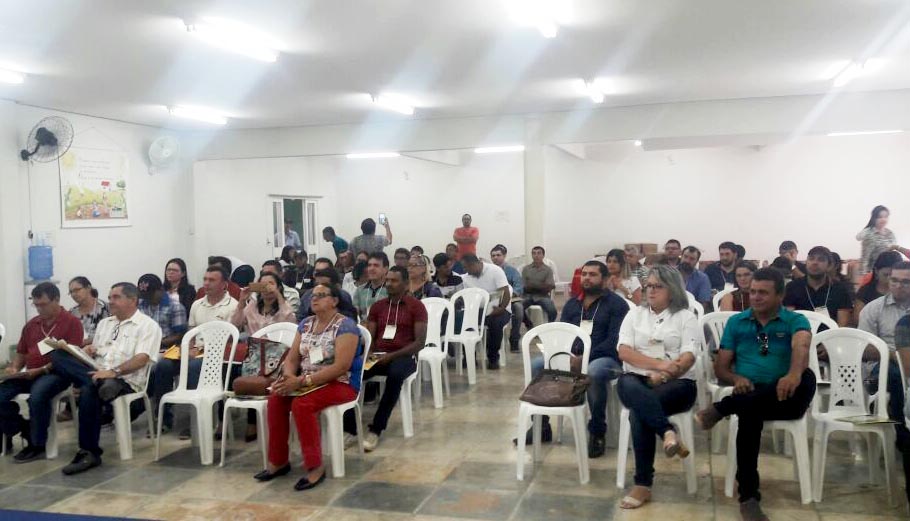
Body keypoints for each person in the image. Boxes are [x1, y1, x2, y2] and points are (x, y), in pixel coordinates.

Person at [695, 268, 815, 521]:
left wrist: (793, 374)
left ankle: (722, 408)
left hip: (788, 396)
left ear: (780, 295)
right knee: (751, 411)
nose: (756, 297)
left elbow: (802, 344)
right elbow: (721, 368)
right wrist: (736, 378)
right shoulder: (737, 322)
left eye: (763, 292)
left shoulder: (795, 321)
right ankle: (748, 497)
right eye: (752, 292)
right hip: (751, 393)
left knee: (807, 377)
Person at [255, 283, 362, 490]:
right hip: (305, 381)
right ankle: (278, 461)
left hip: (340, 383)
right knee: (276, 398)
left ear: (334, 301)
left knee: (302, 404)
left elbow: (341, 367)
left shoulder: (346, 326)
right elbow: (292, 358)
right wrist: (288, 377)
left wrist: (303, 381)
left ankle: (315, 466)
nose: (315, 299)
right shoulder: (305, 324)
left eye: (321, 295)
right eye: (313, 295)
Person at [51, 282, 161, 475]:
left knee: (89, 390)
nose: (110, 301)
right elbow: (97, 353)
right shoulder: (105, 323)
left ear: (133, 300)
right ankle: (94, 382)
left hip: (125, 380)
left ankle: (89, 452)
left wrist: (114, 372)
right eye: (109, 297)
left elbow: (142, 358)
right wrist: (87, 352)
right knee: (58, 355)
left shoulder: (147, 326)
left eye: (116, 297)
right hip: (98, 373)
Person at [616, 265, 700, 510]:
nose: (651, 291)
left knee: (638, 412)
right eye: (648, 286)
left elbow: (688, 358)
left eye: (658, 286)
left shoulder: (686, 317)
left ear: (672, 289)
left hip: (677, 383)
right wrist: (659, 365)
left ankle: (643, 484)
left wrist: (664, 375)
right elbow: (624, 352)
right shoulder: (635, 315)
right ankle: (667, 432)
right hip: (636, 380)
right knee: (626, 383)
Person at [345, 267, 427, 451]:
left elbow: (419, 343)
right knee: (353, 372)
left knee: (395, 376)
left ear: (405, 284)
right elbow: (371, 337)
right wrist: (371, 354)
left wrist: (392, 356)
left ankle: (376, 429)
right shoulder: (378, 306)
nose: (389, 284)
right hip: (380, 356)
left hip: (405, 356)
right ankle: (350, 429)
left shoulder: (416, 306)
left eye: (394, 281)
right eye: (388, 280)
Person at [1, 283, 82, 463]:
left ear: (56, 300)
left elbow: (71, 357)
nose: (39, 309)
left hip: (57, 374)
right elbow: (21, 352)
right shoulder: (32, 325)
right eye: (36, 305)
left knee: (38, 396)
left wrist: (42, 369)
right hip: (29, 373)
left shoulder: (71, 323)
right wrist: (15, 368)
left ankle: (37, 445)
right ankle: (24, 428)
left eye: (43, 304)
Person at [156, 266, 238, 436]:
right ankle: (164, 419)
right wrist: (189, 348)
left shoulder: (232, 306)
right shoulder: (197, 304)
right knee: (163, 365)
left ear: (224, 284)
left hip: (217, 354)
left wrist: (201, 351)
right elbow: (191, 332)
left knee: (193, 367)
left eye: (212, 280)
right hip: (195, 350)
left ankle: (196, 420)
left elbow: (231, 338)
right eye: (205, 279)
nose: (206, 283)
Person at [564, 260, 629, 456]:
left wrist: (584, 358)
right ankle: (541, 426)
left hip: (607, 358)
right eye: (584, 274)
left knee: (593, 371)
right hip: (573, 356)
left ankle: (597, 431)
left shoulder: (617, 304)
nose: (586, 278)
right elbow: (563, 333)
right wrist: (566, 355)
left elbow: (614, 341)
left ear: (606, 279)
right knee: (538, 365)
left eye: (592, 275)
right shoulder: (572, 304)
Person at [857, 260, 910, 451]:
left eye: (905, 282)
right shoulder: (873, 309)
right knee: (896, 376)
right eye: (894, 280)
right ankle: (903, 436)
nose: (898, 285)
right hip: (880, 367)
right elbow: (864, 349)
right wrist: (893, 355)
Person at [461, 254, 511, 369]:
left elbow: (506, 292)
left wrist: (501, 308)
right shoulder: (466, 278)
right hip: (479, 309)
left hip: (500, 308)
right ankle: (469, 357)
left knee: (496, 323)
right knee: (464, 323)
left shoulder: (495, 271)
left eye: (467, 267)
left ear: (474, 264)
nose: (465, 270)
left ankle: (493, 358)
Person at [783, 246, 852, 326]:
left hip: (832, 333)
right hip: (798, 331)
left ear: (829, 266)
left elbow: (842, 326)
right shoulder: (792, 287)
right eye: (811, 259)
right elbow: (788, 320)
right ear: (806, 263)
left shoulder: (840, 289)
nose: (815, 262)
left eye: (821, 260)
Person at [232, 272, 296, 336]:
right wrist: (242, 301)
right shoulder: (253, 306)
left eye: (271, 284)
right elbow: (235, 324)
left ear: (279, 288)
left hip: (276, 341)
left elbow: (290, 325)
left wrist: (278, 294)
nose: (267, 288)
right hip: (253, 341)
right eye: (263, 285)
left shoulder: (284, 307)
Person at [137, 274, 187, 351]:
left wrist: (156, 343)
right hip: (140, 346)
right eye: (144, 295)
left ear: (161, 290)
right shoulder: (138, 305)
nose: (147, 297)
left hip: (165, 349)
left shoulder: (176, 307)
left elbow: (179, 335)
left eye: (150, 295)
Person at [856, 205, 910, 276]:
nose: (883, 219)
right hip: (875, 272)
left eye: (886, 217)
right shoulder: (869, 234)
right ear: (874, 218)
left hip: (892, 271)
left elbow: (893, 251)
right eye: (880, 217)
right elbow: (865, 258)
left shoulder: (890, 233)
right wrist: (863, 275)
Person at [491, 245, 523, 351]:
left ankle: (514, 339)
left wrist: (509, 296)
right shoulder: (488, 271)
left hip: (511, 299)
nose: (495, 257)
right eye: (493, 256)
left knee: (519, 308)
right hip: (493, 301)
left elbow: (518, 287)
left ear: (504, 256)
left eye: (498, 255)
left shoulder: (512, 271)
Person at [855, 250, 903, 318]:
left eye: (894, 276)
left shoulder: (905, 291)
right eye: (886, 275)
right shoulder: (865, 292)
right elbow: (858, 319)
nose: (890, 279)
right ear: (876, 271)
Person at [68, 276, 109, 347]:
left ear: (88, 288)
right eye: (71, 292)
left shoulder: (105, 308)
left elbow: (111, 333)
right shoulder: (72, 312)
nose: (73, 294)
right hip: (77, 350)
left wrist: (89, 341)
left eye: (77, 290)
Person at [521, 246, 557, 323]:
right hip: (527, 296)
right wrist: (541, 285)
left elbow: (549, 287)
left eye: (539, 253)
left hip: (542, 296)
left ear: (543, 255)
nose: (536, 255)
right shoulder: (526, 269)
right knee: (517, 308)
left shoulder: (548, 270)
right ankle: (529, 324)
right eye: (534, 253)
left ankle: (548, 326)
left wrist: (531, 285)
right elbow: (523, 286)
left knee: (552, 311)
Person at [354, 252, 390, 319]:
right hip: (363, 324)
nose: (371, 268)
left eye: (376, 265)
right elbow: (355, 313)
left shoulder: (392, 290)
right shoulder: (359, 290)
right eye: (369, 265)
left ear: (385, 269)